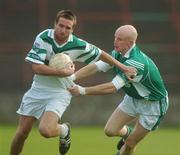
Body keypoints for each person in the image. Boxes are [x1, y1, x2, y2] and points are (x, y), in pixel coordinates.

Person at [10, 11, 136, 155]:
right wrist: (62, 72)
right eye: (61, 25)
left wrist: (123, 67)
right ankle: (62, 130)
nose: (63, 30)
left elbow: (101, 54)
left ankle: (63, 129)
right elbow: (36, 67)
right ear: (55, 24)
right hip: (38, 89)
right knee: (22, 133)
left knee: (45, 130)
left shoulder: (77, 44)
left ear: (72, 29)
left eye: (68, 28)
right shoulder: (44, 37)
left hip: (60, 92)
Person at [68, 25, 169, 155]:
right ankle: (129, 133)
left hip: (153, 105)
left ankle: (128, 141)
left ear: (130, 43)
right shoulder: (117, 53)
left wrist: (82, 91)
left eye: (120, 39)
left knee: (130, 145)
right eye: (115, 37)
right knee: (110, 131)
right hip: (133, 98)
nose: (115, 41)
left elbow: (112, 87)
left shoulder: (136, 62)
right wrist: (72, 77)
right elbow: (97, 67)